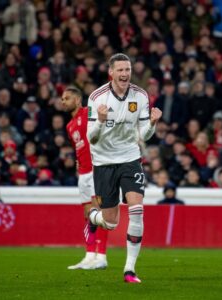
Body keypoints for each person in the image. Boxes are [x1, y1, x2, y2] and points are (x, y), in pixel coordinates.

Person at [86, 53, 162, 283]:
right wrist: (99, 121)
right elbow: (91, 138)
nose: (124, 74)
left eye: (127, 70)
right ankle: (94, 217)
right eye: (120, 70)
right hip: (104, 162)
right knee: (111, 223)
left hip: (130, 158)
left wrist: (152, 124)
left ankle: (130, 270)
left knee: (137, 209)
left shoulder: (140, 96)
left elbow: (143, 135)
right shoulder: (96, 97)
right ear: (111, 72)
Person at [61, 86, 109, 270]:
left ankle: (101, 256)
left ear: (77, 100)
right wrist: (77, 160)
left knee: (100, 212)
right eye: (62, 98)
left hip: (97, 168)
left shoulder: (89, 112)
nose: (63, 101)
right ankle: (89, 255)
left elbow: (103, 126)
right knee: (88, 214)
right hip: (83, 173)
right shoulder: (69, 125)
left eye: (66, 98)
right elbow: (79, 145)